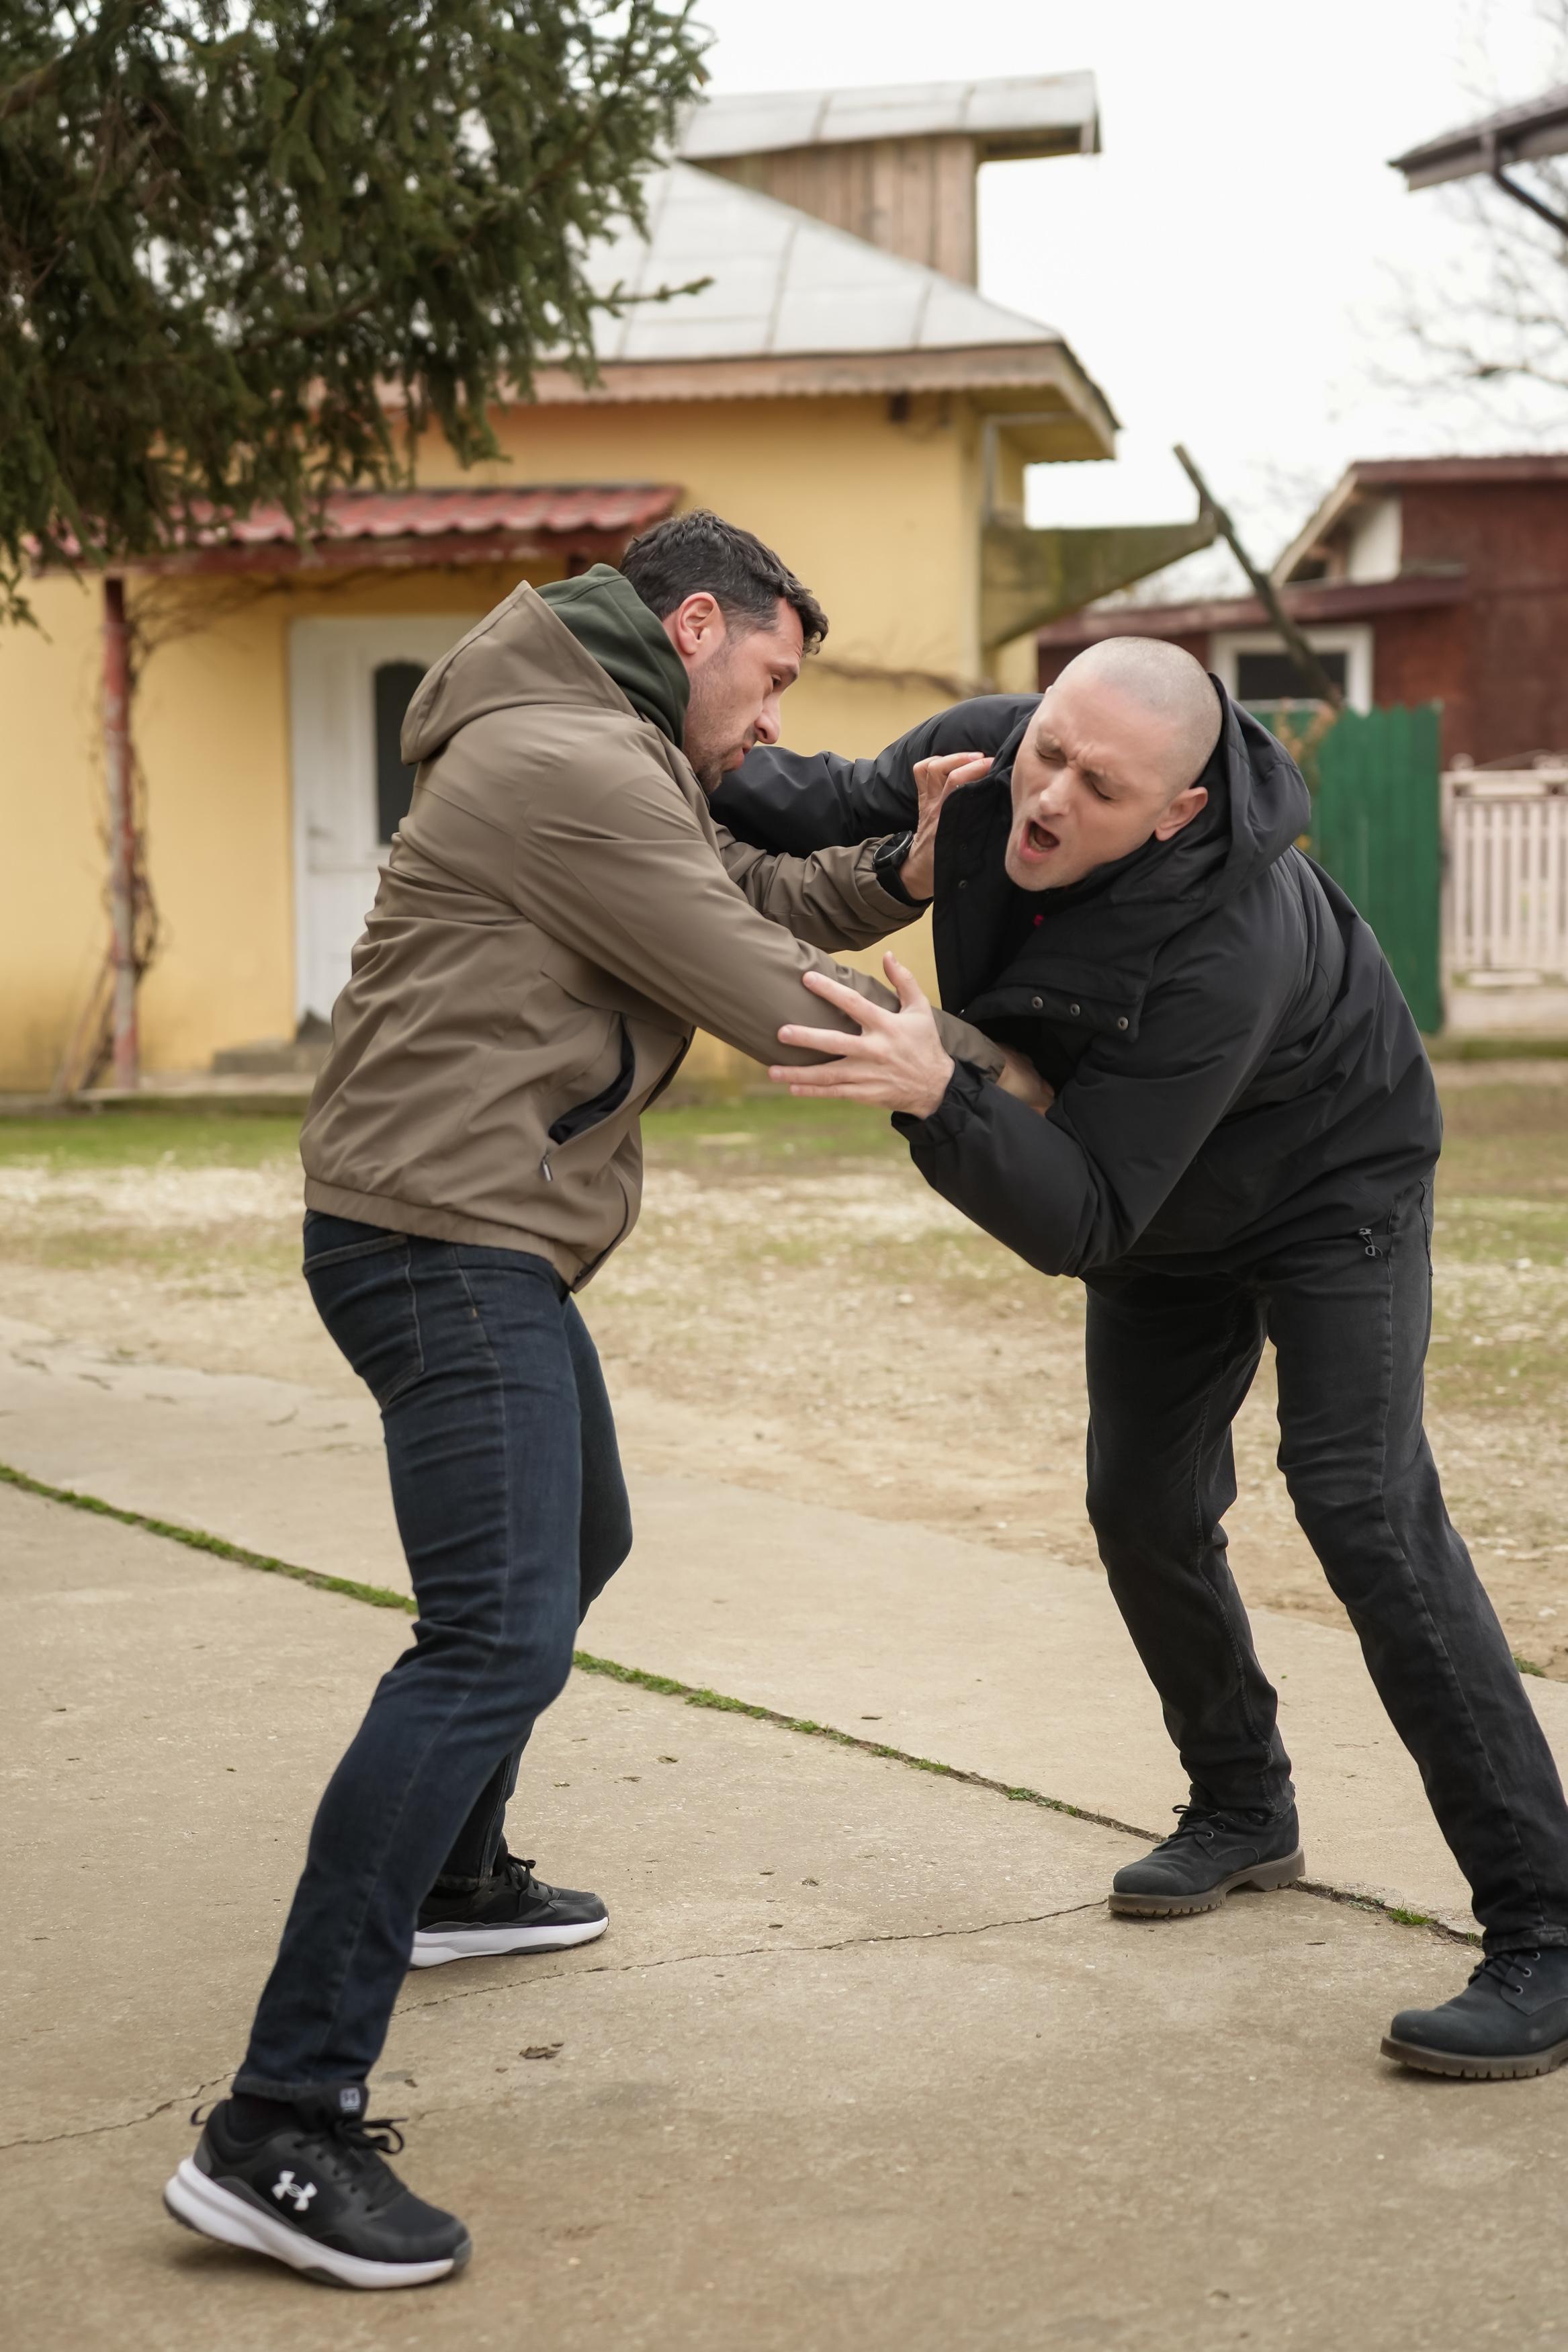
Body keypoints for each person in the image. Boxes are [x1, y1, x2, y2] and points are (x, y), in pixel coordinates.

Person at [162, 513, 1039, 2290]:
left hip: (455, 1220)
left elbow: (742, 897)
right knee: (493, 1634)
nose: (770, 727)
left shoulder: (598, 737)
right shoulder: (569, 759)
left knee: (579, 1540)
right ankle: (277, 2124)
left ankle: (454, 1877)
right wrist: (989, 1080)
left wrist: (909, 862)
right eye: (769, 681)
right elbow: (754, 981)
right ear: (693, 624)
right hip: (440, 1233)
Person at [711, 636, 1568, 2085]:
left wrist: (939, 1092)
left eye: (1097, 786)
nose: (1047, 795)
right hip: (1152, 1185)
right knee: (1141, 1503)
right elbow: (807, 795)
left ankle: (1544, 1918)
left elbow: (1085, 1215)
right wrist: (654, 750)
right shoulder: (987, 760)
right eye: (1047, 751)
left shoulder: (1231, 939)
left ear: (1175, 810)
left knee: (1360, 1504)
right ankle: (1243, 1805)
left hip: (1326, 1187)